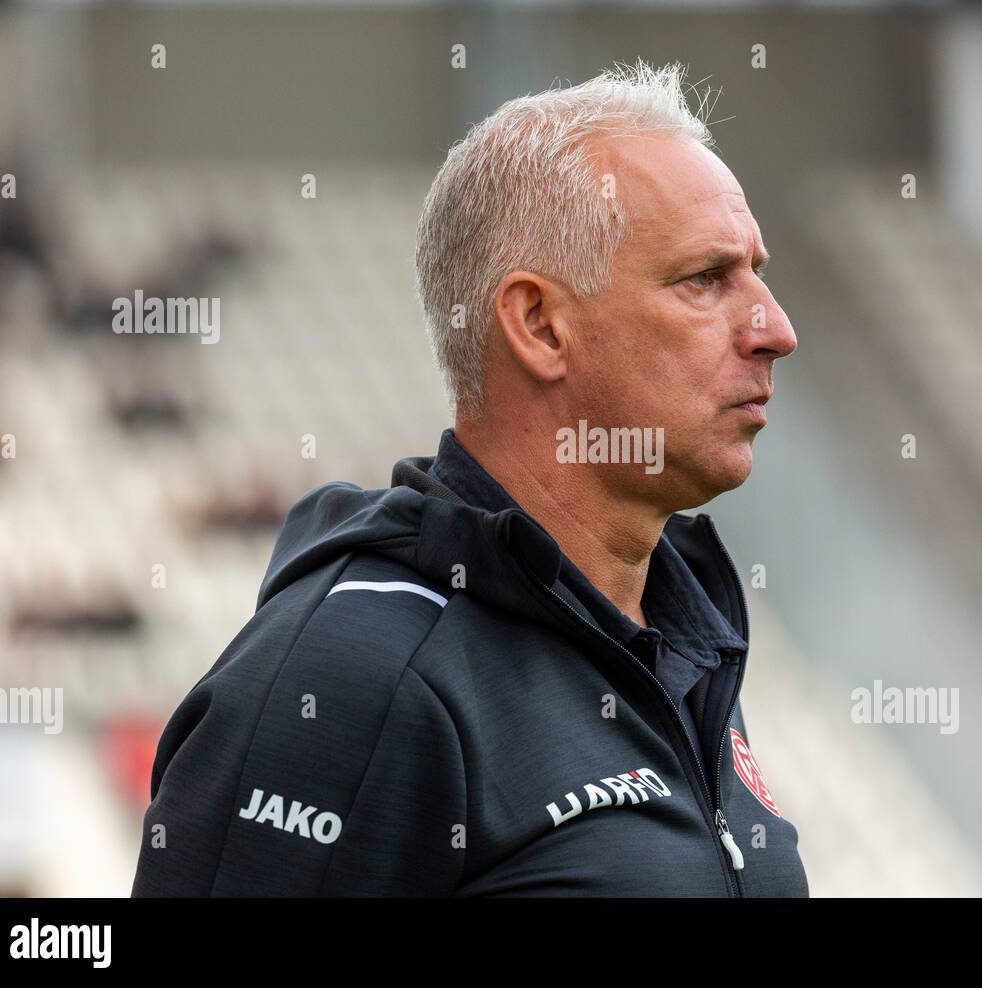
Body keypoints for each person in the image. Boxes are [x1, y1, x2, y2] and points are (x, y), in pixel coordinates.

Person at [132, 60, 805, 896]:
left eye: (757, 273)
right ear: (539, 326)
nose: (775, 328)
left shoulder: (682, 645)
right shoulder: (356, 680)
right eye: (706, 279)